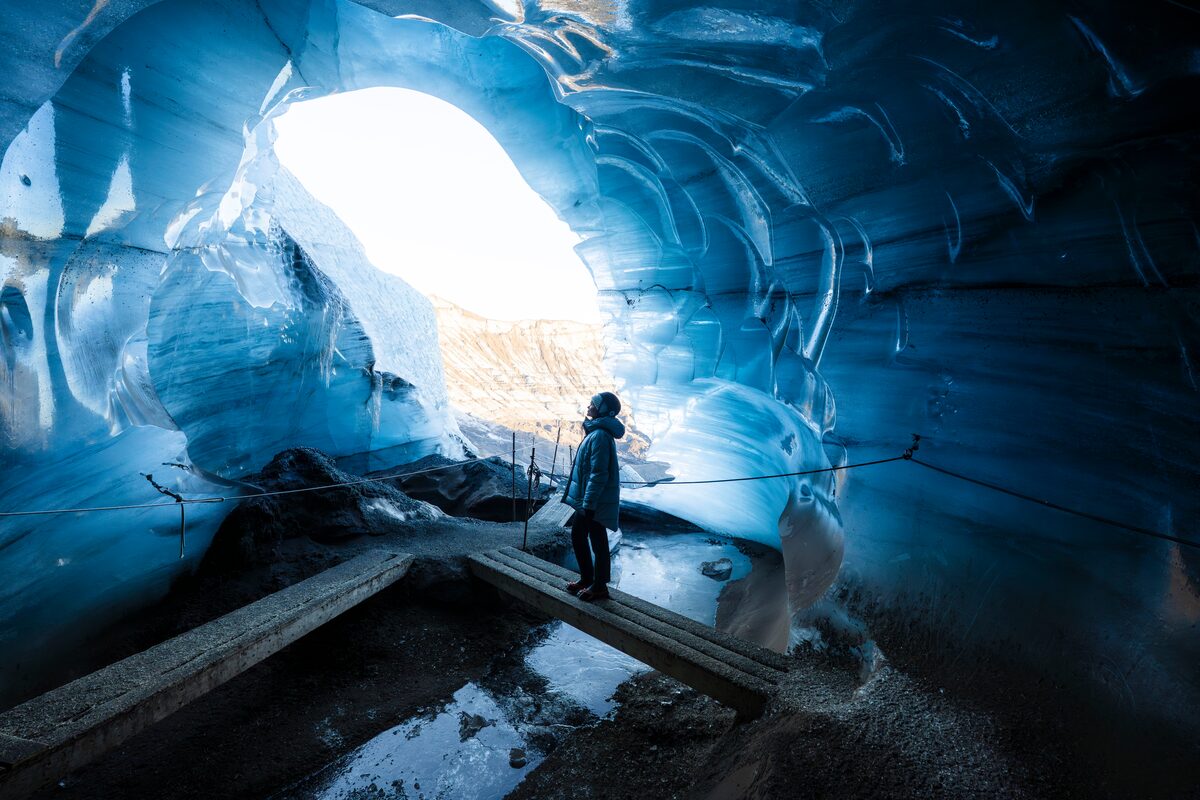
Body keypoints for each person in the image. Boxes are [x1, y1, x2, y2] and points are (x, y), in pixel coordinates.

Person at [560, 391, 624, 601]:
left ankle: (598, 585)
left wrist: (588, 503)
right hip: (592, 499)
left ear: (604, 410)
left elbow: (598, 473)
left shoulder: (599, 436)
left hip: (593, 501)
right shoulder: (597, 433)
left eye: (593, 405)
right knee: (593, 537)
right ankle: (590, 580)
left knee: (585, 536)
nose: (588, 407)